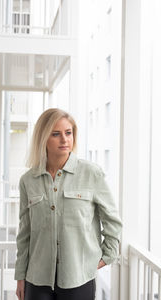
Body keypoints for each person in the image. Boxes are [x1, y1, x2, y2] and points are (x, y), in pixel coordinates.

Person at [14, 108, 122, 300]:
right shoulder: (28, 181)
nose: (64, 140)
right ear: (43, 138)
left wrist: (107, 255)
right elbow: (25, 233)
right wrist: (20, 276)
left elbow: (112, 219)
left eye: (68, 133)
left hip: (79, 278)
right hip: (37, 279)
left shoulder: (91, 173)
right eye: (56, 134)